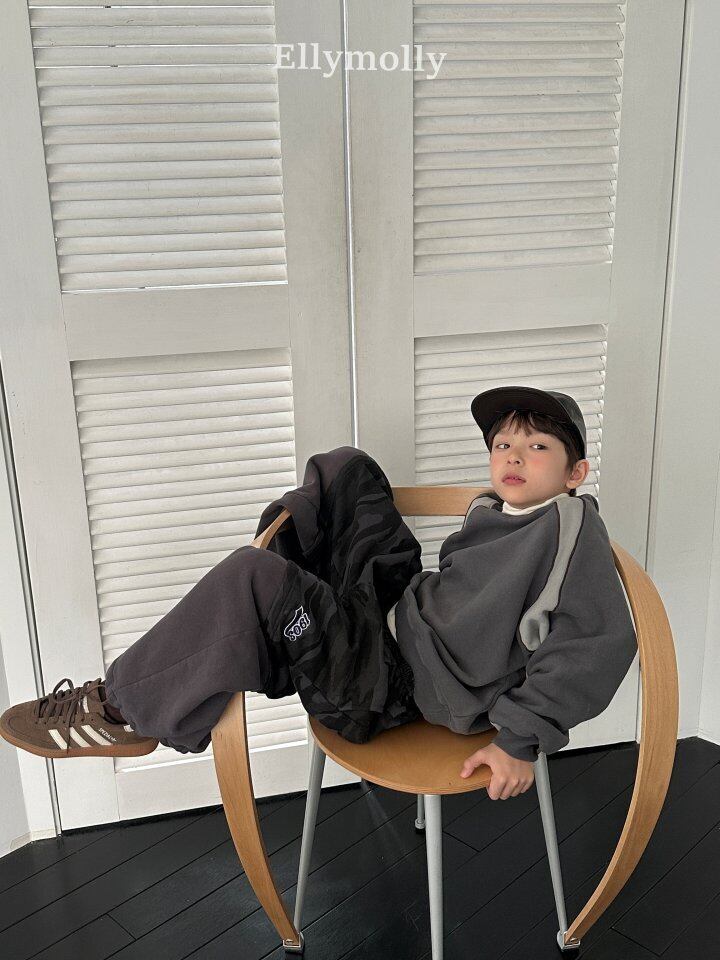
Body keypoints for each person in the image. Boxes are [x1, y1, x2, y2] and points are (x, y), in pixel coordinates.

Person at [0, 386, 638, 802]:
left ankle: (118, 710)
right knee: (347, 468)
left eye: (538, 446)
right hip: (388, 621)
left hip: (387, 689)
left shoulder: (572, 530)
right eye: (503, 444)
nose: (514, 456)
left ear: (576, 472)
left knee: (253, 576)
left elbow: (599, 646)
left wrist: (521, 738)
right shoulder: (492, 512)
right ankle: (275, 620)